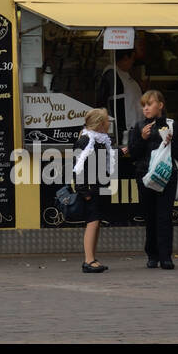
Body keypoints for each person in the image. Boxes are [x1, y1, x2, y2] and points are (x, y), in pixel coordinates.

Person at [127, 89, 178, 269]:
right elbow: (134, 154)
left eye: (150, 104)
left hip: (167, 176)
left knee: (164, 216)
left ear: (160, 105)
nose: (146, 108)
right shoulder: (138, 127)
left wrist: (170, 142)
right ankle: (152, 255)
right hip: (145, 177)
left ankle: (166, 256)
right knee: (150, 216)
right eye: (143, 105)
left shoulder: (171, 125)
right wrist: (142, 138)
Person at [73, 107, 116, 273]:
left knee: (96, 222)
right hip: (90, 189)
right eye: (106, 121)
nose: (109, 124)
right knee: (92, 222)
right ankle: (88, 260)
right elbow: (77, 167)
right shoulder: (85, 140)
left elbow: (105, 157)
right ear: (100, 124)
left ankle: (92, 258)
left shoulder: (101, 140)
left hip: (98, 186)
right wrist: (84, 191)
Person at [96, 48, 142, 145]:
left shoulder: (124, 74)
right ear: (125, 58)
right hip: (123, 131)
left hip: (135, 128)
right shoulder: (112, 74)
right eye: (132, 58)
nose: (133, 62)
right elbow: (102, 102)